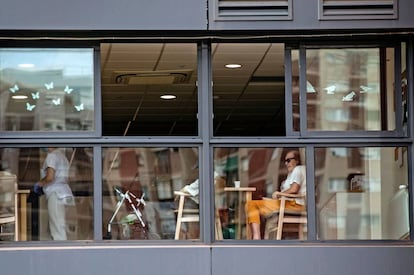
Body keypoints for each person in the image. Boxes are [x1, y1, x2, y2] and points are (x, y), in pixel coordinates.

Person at [245, 150, 306, 240]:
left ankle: (256, 237)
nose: (286, 163)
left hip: (293, 204)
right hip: (288, 204)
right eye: (285, 161)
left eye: (289, 160)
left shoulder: (298, 169)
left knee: (251, 204)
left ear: (296, 161)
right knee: (257, 207)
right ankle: (259, 236)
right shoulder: (293, 173)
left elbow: (294, 189)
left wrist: (279, 194)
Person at [33, 148, 75, 240]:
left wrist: (39, 184)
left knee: (57, 229)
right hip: (66, 194)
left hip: (56, 195)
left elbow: (50, 177)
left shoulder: (52, 156)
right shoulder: (63, 157)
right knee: (64, 227)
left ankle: (62, 253)